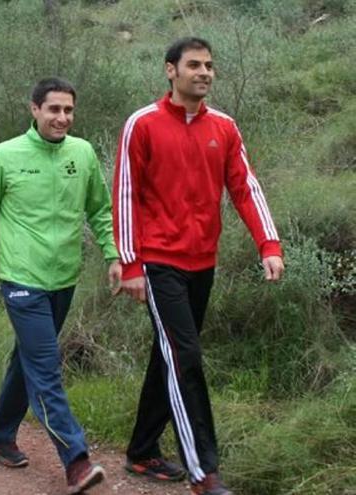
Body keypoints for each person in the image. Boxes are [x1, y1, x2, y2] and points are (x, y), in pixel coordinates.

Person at [112, 37, 284, 495]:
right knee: (185, 356)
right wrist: (130, 264)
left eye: (209, 65)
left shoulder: (224, 127)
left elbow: (245, 187)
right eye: (194, 65)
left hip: (202, 261)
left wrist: (269, 243)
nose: (204, 72)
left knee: (168, 353)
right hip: (157, 261)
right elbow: (125, 195)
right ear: (171, 70)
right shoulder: (142, 124)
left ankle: (142, 451)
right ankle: (203, 471)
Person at [0, 77, 120, 495]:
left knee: (28, 360)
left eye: (68, 110)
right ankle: (77, 460)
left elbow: (100, 210)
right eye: (53, 109)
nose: (61, 118)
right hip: (21, 280)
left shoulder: (82, 154)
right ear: (34, 109)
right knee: (46, 368)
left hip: (63, 278)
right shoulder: (5, 155)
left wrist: (113, 254)